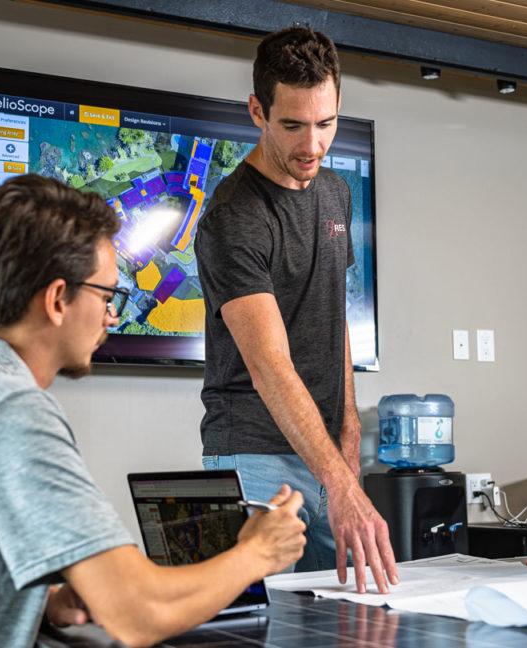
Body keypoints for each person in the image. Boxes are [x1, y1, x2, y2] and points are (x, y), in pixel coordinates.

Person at [0, 175, 307, 648]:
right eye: (108, 297)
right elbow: (139, 614)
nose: (112, 317)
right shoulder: (11, 409)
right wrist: (258, 551)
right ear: (56, 300)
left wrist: (38, 600)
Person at [193, 26, 398, 594]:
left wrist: (350, 436)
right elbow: (269, 366)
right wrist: (342, 483)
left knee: (350, 622)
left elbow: (335, 321)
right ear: (257, 111)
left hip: (329, 452)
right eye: (292, 125)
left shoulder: (335, 192)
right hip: (254, 452)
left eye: (326, 123)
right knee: (258, 626)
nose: (312, 145)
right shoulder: (234, 217)